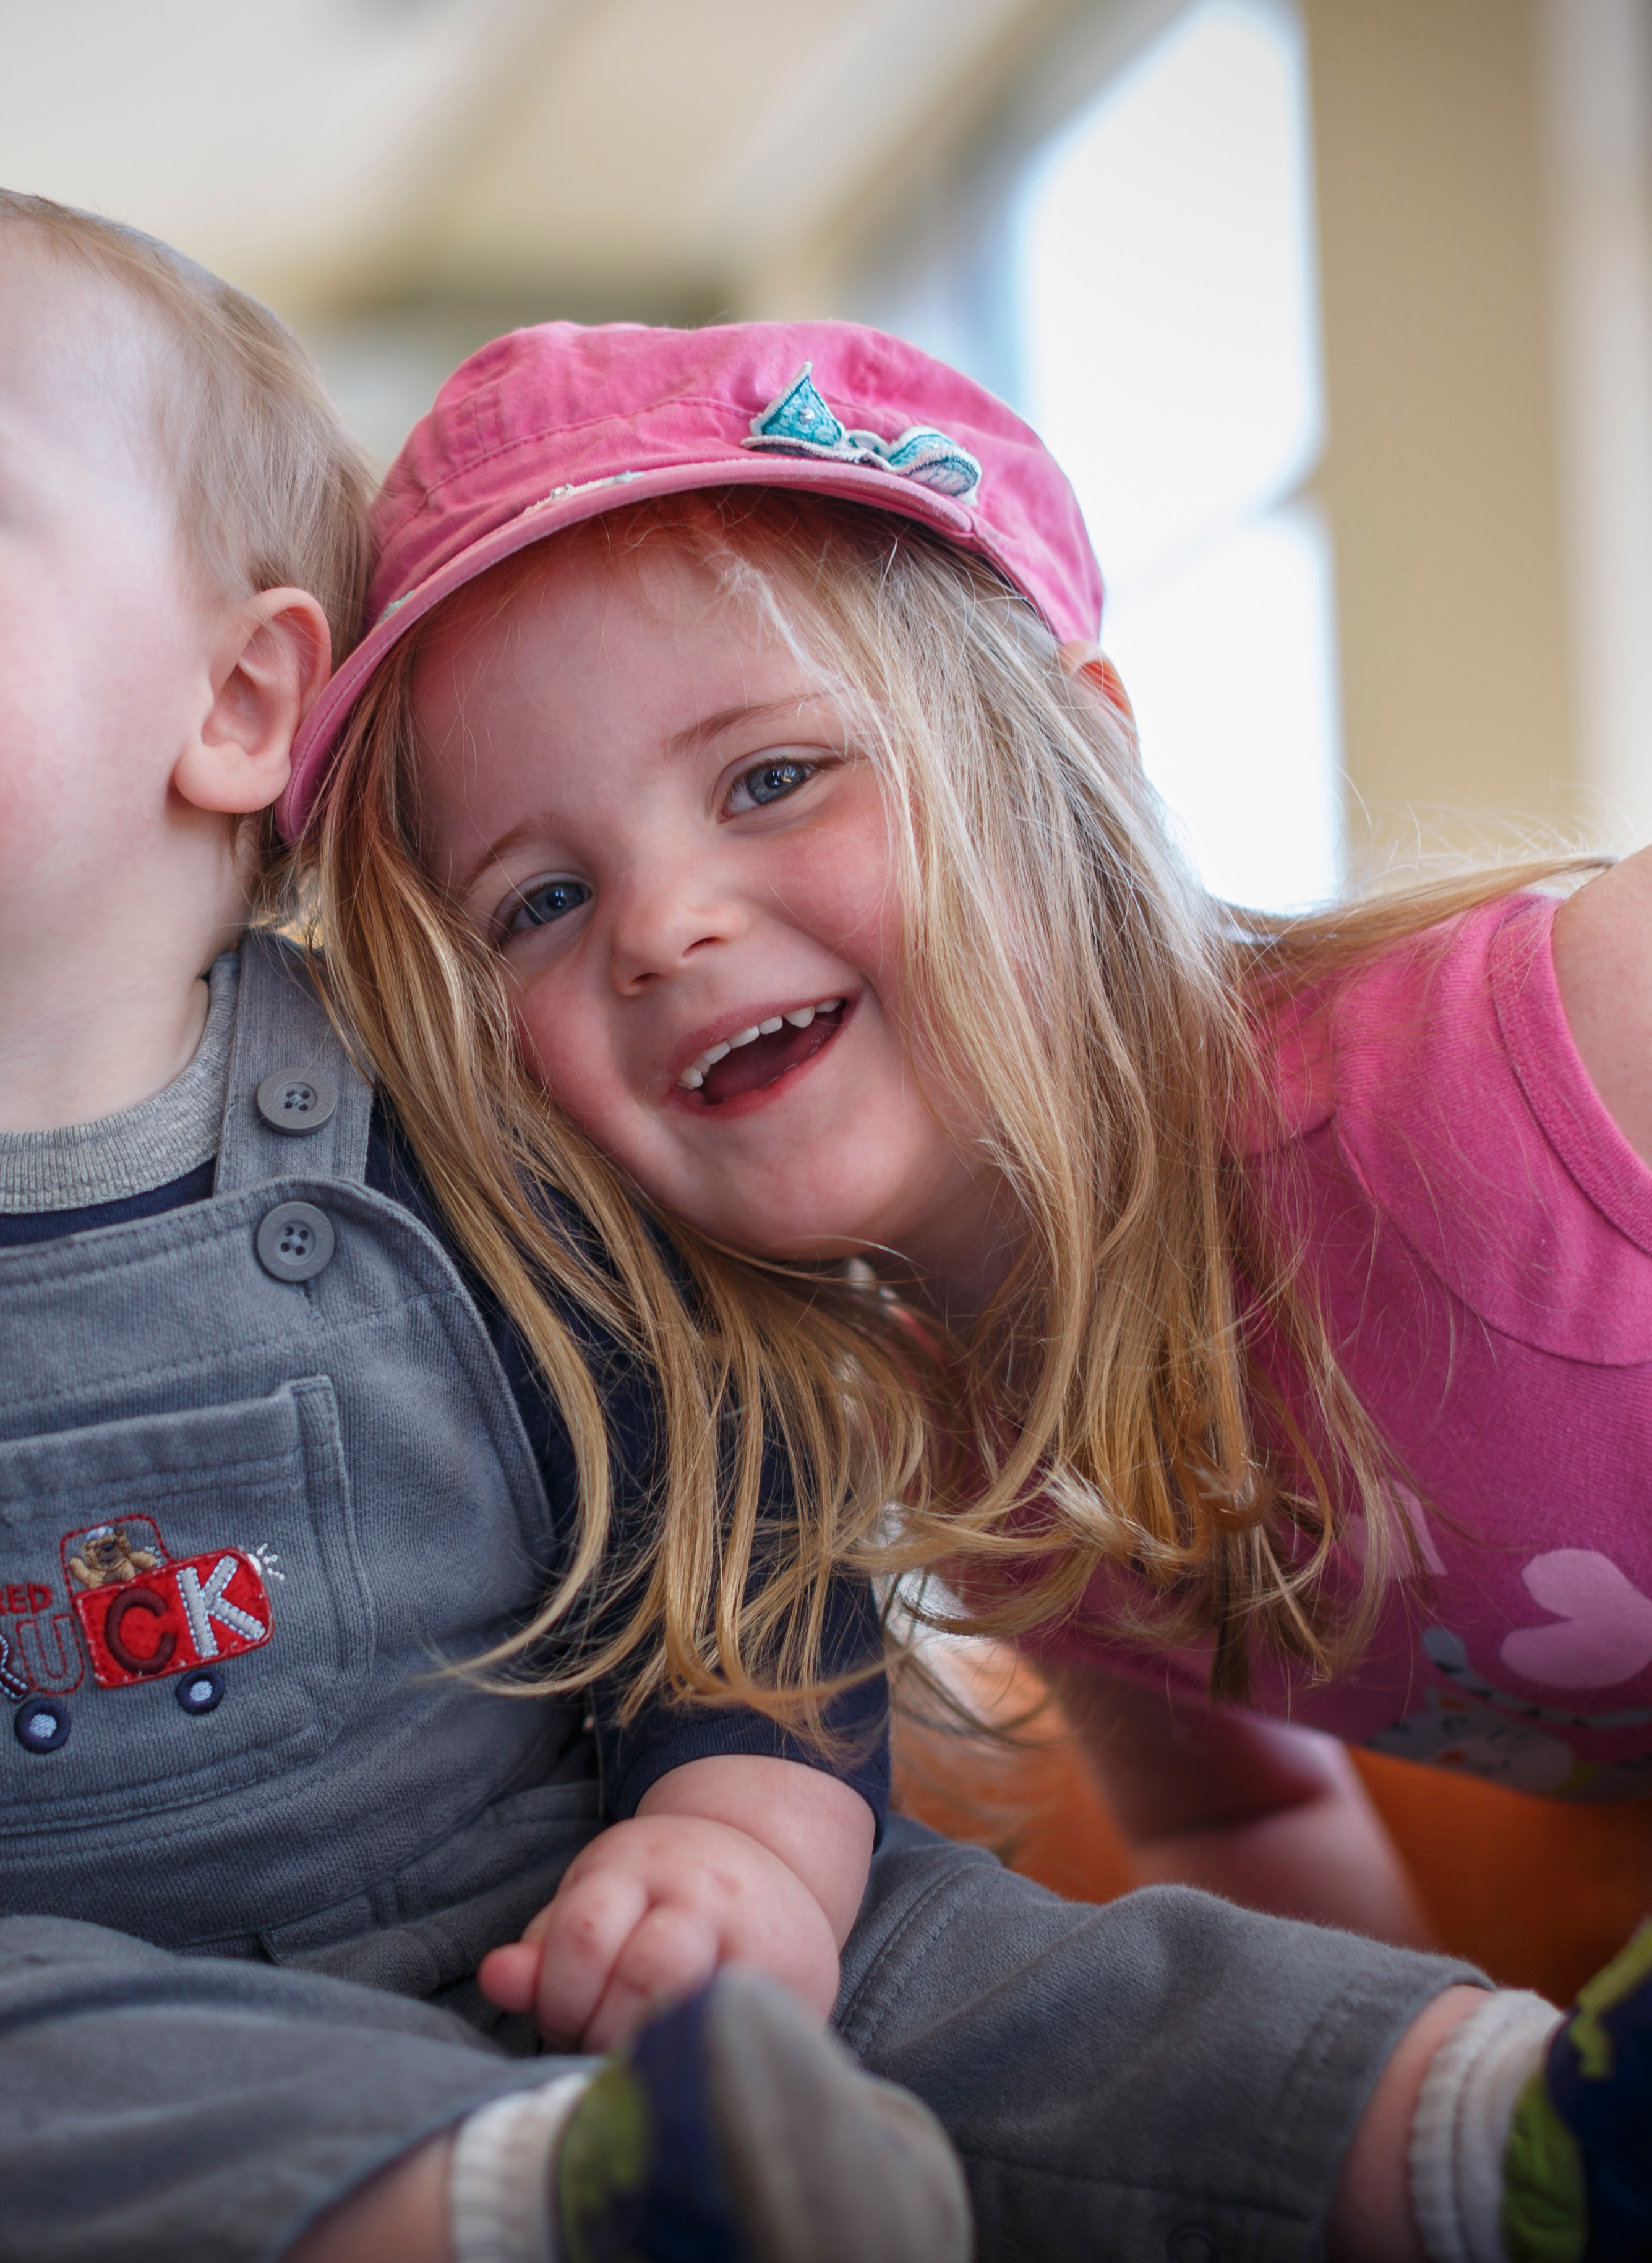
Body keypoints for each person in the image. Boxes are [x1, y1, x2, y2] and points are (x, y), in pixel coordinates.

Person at [0, 193, 1521, 2263]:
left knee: (989, 1962)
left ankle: (1489, 2124)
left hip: (574, 1925)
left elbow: (722, 1510)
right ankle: (552, 2201)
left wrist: (740, 1841)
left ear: (238, 701)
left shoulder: (456, 1133)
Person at [281, 318, 1652, 2263]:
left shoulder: (1537, 1058)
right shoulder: (968, 1444)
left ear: (1079, 750)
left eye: (772, 778)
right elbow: (1245, 1834)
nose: (664, 924)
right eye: (543, 901)